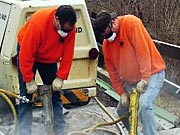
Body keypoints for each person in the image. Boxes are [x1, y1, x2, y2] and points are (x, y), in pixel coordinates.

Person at [93, 11, 166, 135]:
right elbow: (112, 72)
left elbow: (143, 53)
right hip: (132, 80)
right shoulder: (107, 45)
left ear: (113, 21)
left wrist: (144, 79)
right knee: (122, 110)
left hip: (152, 72)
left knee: (144, 105)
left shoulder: (131, 24)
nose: (108, 37)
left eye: (108, 33)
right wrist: (121, 93)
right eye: (104, 36)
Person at [17, 5, 77, 135]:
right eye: (63, 30)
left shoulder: (69, 28)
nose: (65, 34)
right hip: (29, 53)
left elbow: (68, 53)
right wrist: (28, 80)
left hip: (49, 58)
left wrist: (61, 77)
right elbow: (26, 54)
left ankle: (59, 130)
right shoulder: (38, 24)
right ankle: (24, 132)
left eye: (68, 31)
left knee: (55, 94)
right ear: (56, 19)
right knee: (25, 96)